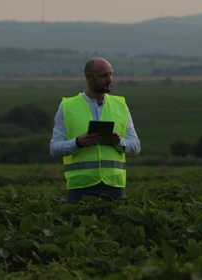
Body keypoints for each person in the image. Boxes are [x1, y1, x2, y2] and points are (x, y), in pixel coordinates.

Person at [50, 57, 141, 203]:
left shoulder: (121, 105)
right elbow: (54, 148)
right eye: (104, 75)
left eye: (111, 74)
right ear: (89, 78)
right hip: (80, 188)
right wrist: (78, 143)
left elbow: (136, 146)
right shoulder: (67, 107)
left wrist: (118, 142)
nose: (110, 79)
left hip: (114, 188)